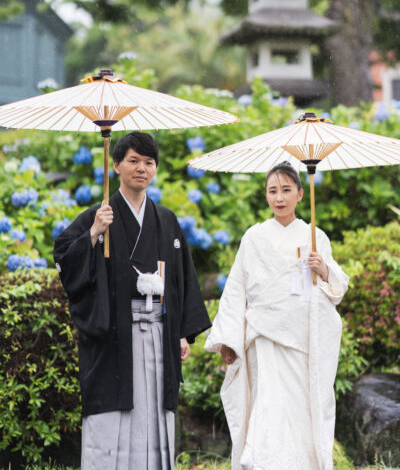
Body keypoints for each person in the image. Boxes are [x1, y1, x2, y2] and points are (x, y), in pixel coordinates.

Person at [54, 131, 211, 470]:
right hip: (114, 335)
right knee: (114, 416)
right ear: (116, 165)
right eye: (134, 161)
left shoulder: (166, 219)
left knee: (154, 414)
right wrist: (94, 233)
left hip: (158, 331)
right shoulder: (98, 215)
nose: (142, 168)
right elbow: (65, 259)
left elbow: (182, 277)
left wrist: (182, 331)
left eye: (149, 162)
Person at [205, 161, 349, 470]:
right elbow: (236, 290)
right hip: (263, 338)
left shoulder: (315, 237)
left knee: (299, 408)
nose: (279, 197)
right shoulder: (253, 238)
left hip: (301, 339)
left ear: (300, 194)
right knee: (267, 405)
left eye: (286, 190)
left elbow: (335, 287)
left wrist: (321, 268)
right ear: (266, 196)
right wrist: (230, 339)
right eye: (273, 191)